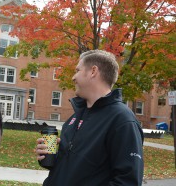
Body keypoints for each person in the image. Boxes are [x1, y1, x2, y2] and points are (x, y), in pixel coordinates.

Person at [36, 50, 144, 185]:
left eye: (78, 70)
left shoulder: (122, 120)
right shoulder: (75, 117)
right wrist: (51, 160)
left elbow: (128, 182)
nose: (73, 77)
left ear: (93, 71)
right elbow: (82, 168)